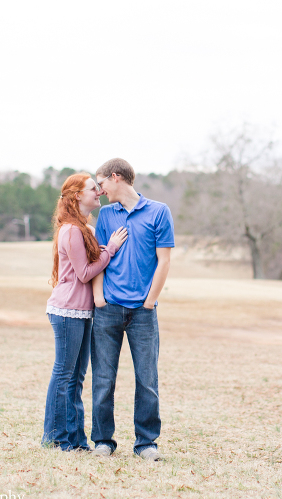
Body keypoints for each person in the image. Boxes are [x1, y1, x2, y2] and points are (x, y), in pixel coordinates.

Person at [90, 158, 174, 462]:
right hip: (108, 309)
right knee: (103, 379)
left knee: (147, 380)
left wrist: (149, 302)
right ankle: (103, 441)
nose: (99, 190)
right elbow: (98, 258)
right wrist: (99, 298)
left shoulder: (159, 212)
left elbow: (164, 260)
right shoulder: (106, 215)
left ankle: (146, 443)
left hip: (143, 313)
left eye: (101, 183)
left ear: (116, 177)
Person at [43, 173, 127, 451]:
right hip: (68, 311)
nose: (98, 192)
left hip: (81, 311)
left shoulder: (84, 228)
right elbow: (84, 273)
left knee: (75, 378)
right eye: (93, 188)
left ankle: (76, 440)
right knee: (64, 375)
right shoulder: (71, 230)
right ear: (78, 195)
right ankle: (56, 438)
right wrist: (111, 249)